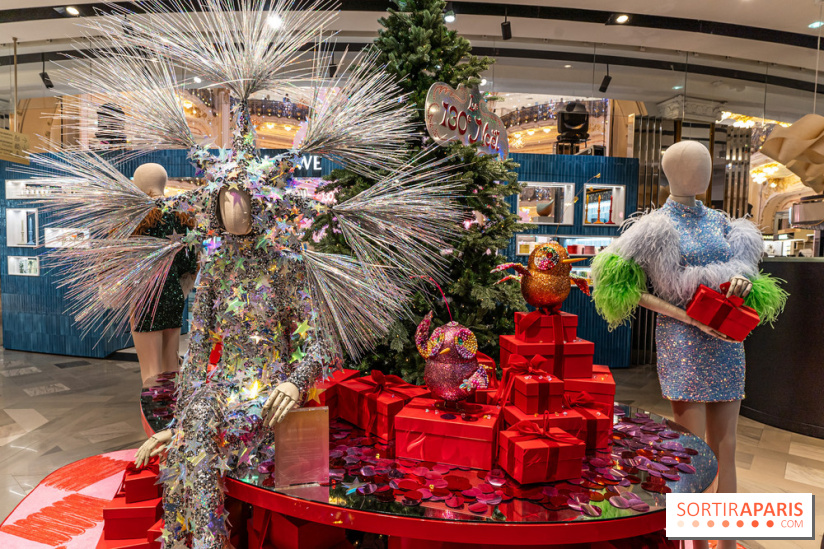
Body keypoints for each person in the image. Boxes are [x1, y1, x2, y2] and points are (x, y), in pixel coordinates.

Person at [591, 140, 787, 549]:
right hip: (682, 341)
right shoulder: (654, 228)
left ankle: (728, 542)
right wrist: (684, 315)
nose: (700, 172)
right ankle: (694, 544)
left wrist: (744, 284)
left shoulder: (723, 223)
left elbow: (748, 277)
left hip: (726, 339)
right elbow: (619, 286)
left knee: (727, 446)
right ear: (669, 171)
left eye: (705, 164)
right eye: (690, 165)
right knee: (691, 453)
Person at [130, 163, 199, 387]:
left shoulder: (136, 218)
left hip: (145, 298)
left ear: (140, 183)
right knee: (171, 365)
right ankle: (175, 413)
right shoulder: (182, 216)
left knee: (150, 371)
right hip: (174, 296)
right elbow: (191, 262)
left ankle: (154, 418)